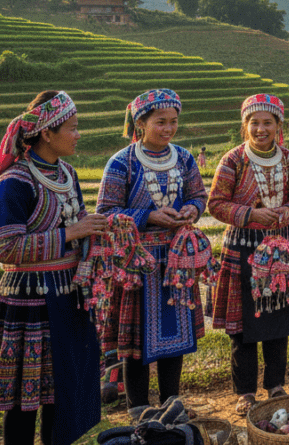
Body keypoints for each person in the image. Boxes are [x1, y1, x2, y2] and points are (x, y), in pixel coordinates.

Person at [0, 91, 104, 445]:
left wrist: (96, 228)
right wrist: (73, 232)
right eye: (73, 128)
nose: (78, 135)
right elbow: (6, 247)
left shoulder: (67, 172)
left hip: (68, 294)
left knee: (63, 389)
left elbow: (77, 219)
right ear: (47, 132)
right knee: (24, 400)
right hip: (31, 300)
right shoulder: (15, 182)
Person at [98, 89, 207, 412]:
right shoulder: (122, 162)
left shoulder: (185, 158)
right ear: (140, 123)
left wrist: (191, 211)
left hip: (176, 259)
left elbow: (199, 196)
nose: (168, 128)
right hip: (138, 262)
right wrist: (149, 217)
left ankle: (172, 401)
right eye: (160, 122)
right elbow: (106, 212)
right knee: (136, 341)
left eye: (173, 122)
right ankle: (139, 407)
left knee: (175, 336)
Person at [208, 94, 289, 414]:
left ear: (279, 126)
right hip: (242, 251)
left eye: (268, 122)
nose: (261, 129)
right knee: (244, 327)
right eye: (255, 123)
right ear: (245, 126)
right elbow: (217, 204)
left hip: (280, 251)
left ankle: (276, 385)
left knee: (278, 320)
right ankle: (246, 391)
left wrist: (286, 213)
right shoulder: (233, 160)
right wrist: (251, 214)